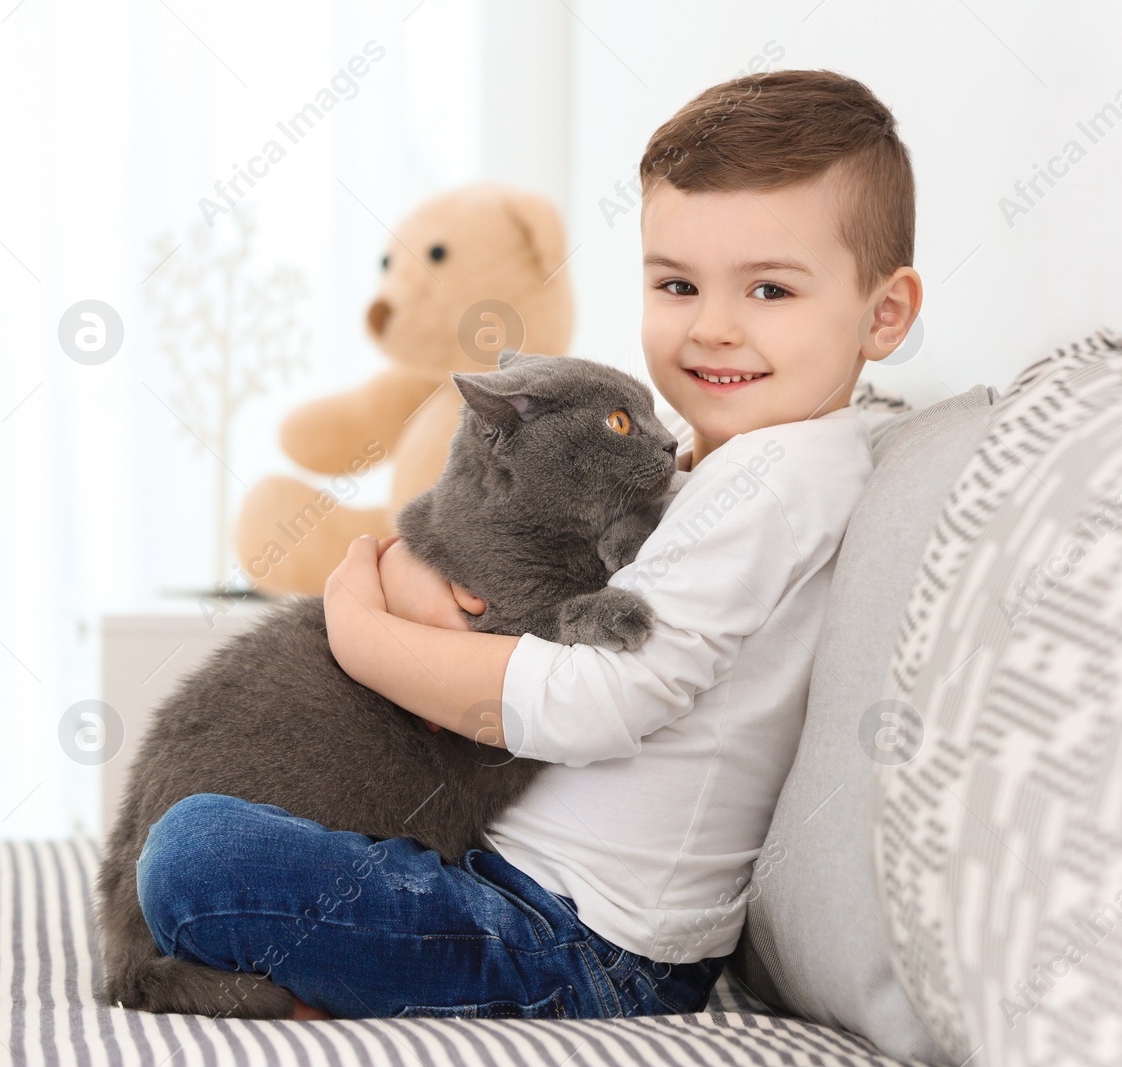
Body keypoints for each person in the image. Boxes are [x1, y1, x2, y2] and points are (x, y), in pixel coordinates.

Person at [136, 67, 923, 1021]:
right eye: (677, 283)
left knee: (197, 858)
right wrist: (414, 579)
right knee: (220, 834)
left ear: (884, 315)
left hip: (581, 949)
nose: (713, 326)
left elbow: (601, 696)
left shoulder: (781, 480)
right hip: (520, 889)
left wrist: (363, 632)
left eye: (769, 288)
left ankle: (323, 981)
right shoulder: (740, 464)